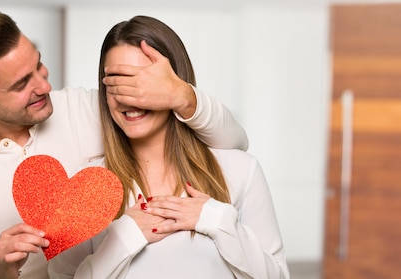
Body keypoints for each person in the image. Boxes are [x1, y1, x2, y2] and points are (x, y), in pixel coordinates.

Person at [0, 11, 249, 279]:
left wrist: (182, 96)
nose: (44, 84)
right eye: (23, 83)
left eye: (38, 64)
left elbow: (233, 143)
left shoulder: (86, 109)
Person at [48, 15, 289, 279]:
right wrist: (124, 238)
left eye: (143, 82)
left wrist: (218, 221)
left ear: (175, 84)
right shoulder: (85, 187)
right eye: (117, 81)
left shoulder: (241, 170)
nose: (131, 97)